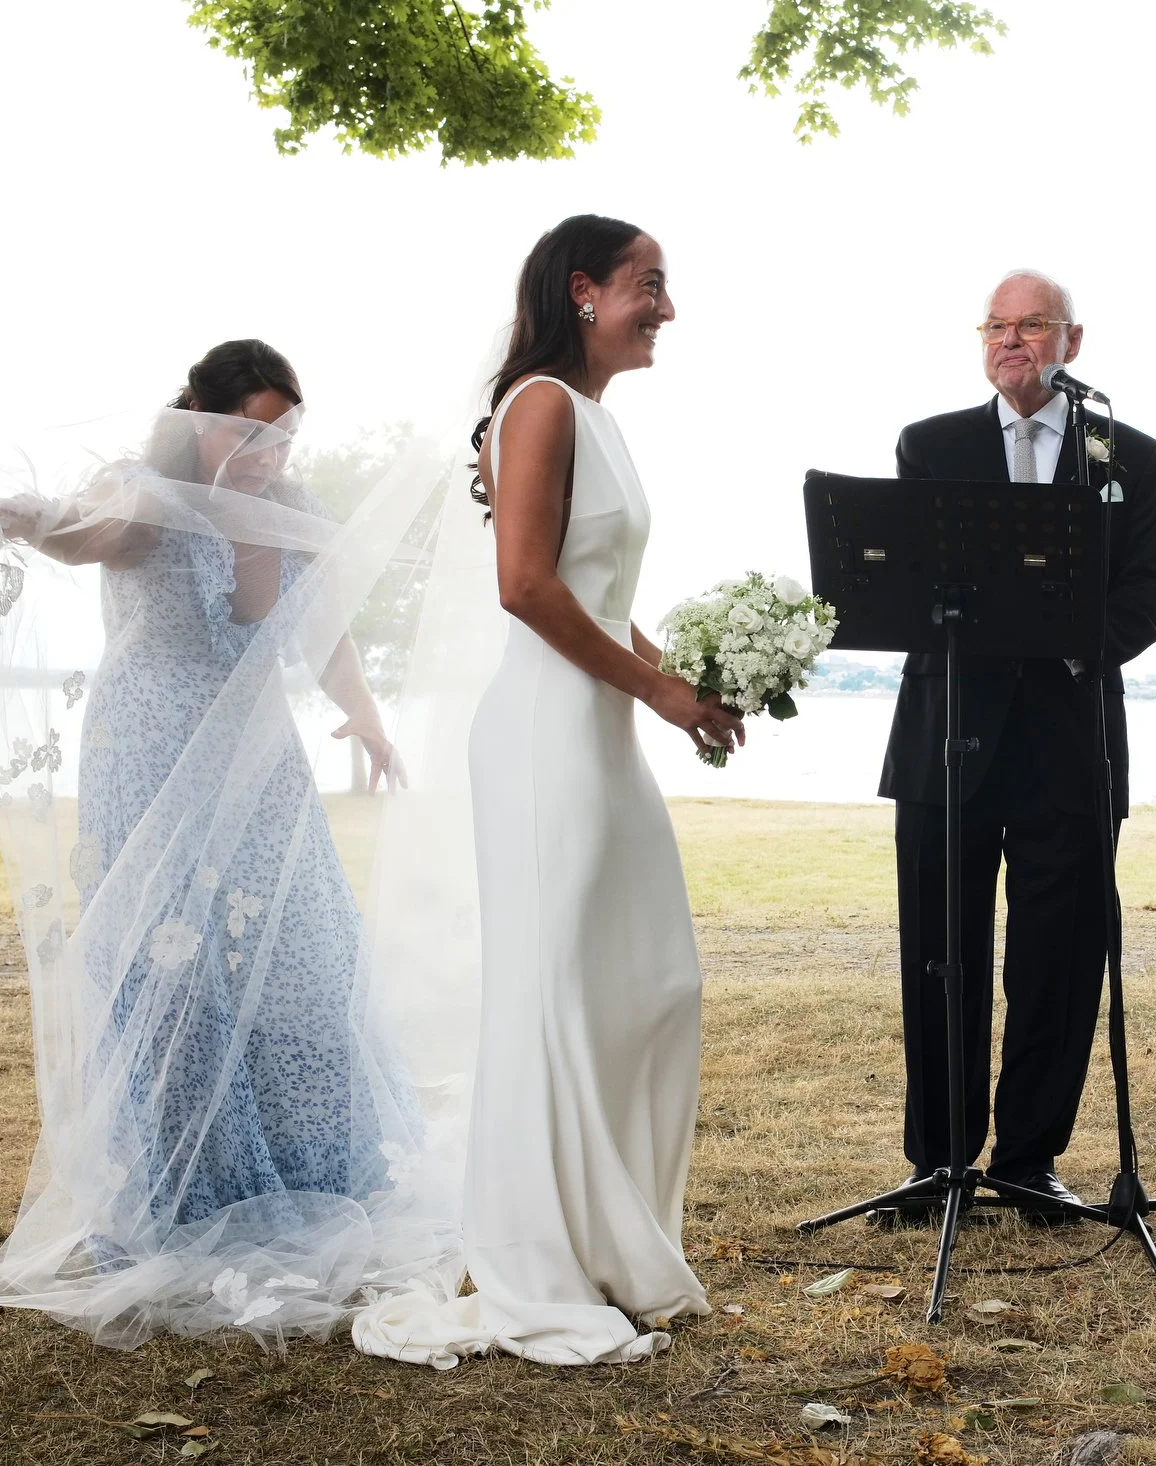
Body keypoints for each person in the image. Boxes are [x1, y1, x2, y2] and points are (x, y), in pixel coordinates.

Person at [0, 340, 435, 1350]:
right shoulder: (144, 490)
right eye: (249, 428)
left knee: (301, 949)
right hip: (151, 744)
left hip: (256, 752)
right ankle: (180, 1187)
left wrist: (363, 713)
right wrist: (26, 517)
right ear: (195, 413)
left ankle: (312, 1168)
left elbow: (327, 628)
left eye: (284, 433)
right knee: (167, 958)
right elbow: (86, 537)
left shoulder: (292, 499)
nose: (268, 450)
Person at [351, 215, 740, 1368]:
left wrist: (686, 682)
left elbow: (596, 586)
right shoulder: (536, 406)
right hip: (539, 737)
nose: (665, 306)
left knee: (649, 980)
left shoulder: (599, 420)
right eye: (648, 284)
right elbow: (524, 586)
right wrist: (654, 693)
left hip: (599, 730)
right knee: (555, 991)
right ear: (582, 290)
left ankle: (609, 1243)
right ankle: (539, 1260)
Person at [877, 271, 1156, 1223]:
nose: (1011, 342)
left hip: (1071, 737)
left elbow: (1149, 593)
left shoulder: (1127, 452)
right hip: (946, 738)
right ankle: (940, 1162)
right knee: (939, 954)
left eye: (1031, 326)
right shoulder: (930, 447)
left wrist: (1064, 643)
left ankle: (1030, 1160)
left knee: (1058, 957)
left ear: (1070, 343)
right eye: (997, 327)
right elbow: (915, 587)